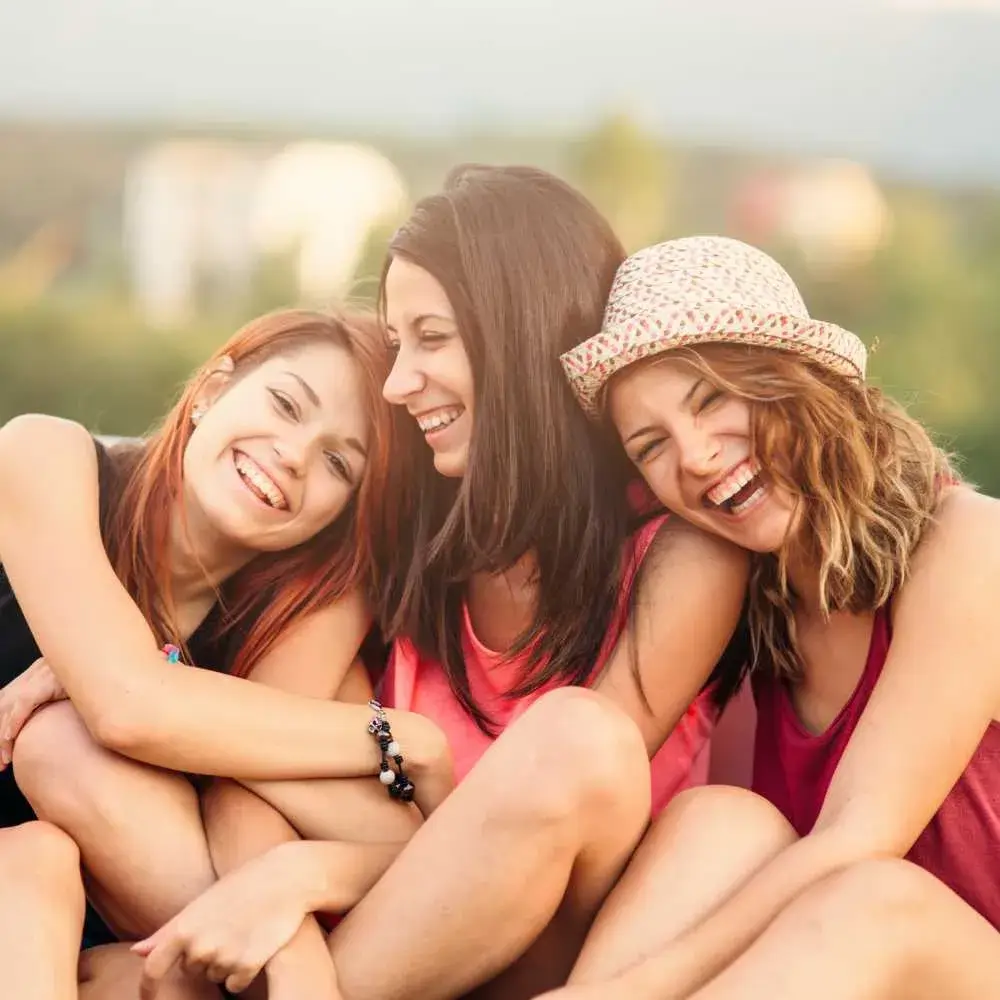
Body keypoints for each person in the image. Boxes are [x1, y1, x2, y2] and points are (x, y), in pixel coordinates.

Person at [143, 166, 750, 999]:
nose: (399, 384)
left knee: (581, 740)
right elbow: (250, 755)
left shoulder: (679, 552)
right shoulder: (407, 520)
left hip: (553, 950)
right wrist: (291, 941)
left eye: (432, 339)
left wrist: (308, 874)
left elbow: (554, 812)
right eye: (398, 346)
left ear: (521, 335)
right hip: (375, 944)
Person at [540, 235, 1000, 998]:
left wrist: (619, 993)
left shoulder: (971, 542)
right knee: (717, 823)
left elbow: (863, 837)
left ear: (795, 378)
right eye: (651, 446)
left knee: (869, 897)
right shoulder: (757, 604)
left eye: (711, 399)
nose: (693, 457)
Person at [0, 308, 453, 999]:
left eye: (337, 462)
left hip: (108, 937)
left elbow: (405, 843)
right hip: (28, 890)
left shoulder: (296, 616)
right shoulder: (45, 456)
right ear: (213, 388)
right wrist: (405, 738)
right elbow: (130, 708)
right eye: (284, 404)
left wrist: (295, 886)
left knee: (150, 973)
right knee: (37, 855)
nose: (294, 455)